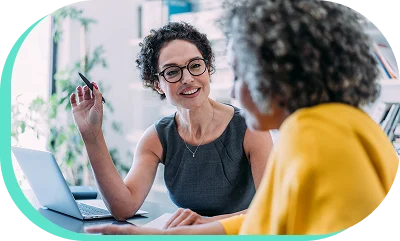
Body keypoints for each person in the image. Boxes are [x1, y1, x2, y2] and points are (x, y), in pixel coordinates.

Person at [84, 0, 400, 235]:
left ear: (275, 74)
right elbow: (267, 218)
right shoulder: (337, 123)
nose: (234, 93)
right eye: (172, 72)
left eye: (239, 74)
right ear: (158, 83)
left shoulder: (314, 136)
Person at [69, 21, 274, 227]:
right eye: (172, 72)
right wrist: (92, 135)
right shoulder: (157, 138)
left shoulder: (251, 128)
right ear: (157, 85)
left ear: (208, 68)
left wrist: (206, 224)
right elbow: (123, 207)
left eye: (195, 66)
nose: (187, 78)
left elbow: (272, 208)